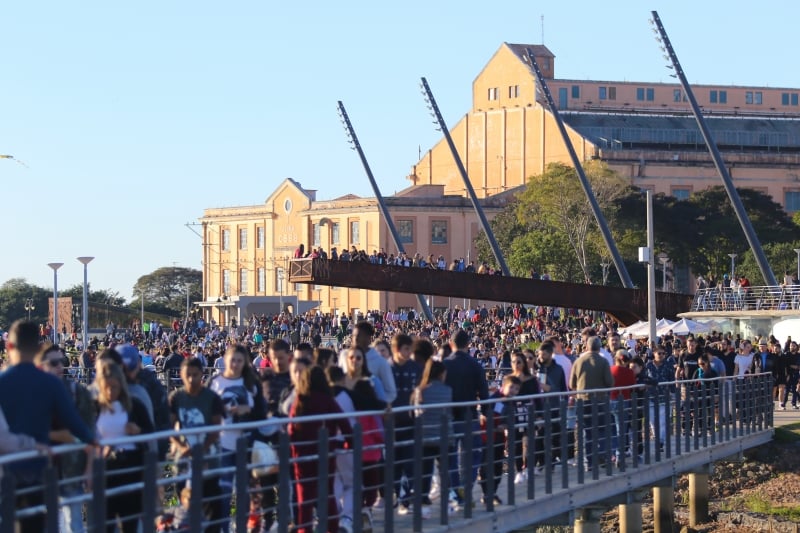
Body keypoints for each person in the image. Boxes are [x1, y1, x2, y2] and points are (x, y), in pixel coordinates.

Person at [0, 320, 95, 533]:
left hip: (6, 471)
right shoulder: (50, 383)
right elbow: (76, 424)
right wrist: (92, 441)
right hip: (39, 471)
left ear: (9, 346)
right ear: (37, 348)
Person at [37, 344, 96, 533]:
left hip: (72, 469)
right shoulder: (33, 395)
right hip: (41, 471)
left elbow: (90, 433)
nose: (60, 367)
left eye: (62, 362)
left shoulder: (78, 392)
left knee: (74, 524)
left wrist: (89, 468)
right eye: (54, 362)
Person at [208, 344, 266, 533]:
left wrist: (246, 411)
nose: (235, 364)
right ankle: (223, 529)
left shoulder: (251, 383)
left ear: (245, 362)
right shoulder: (215, 382)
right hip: (222, 444)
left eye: (240, 360)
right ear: (225, 360)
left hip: (245, 445)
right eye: (232, 359)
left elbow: (261, 413)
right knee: (223, 493)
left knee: (243, 493)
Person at [288, 364, 352, 533]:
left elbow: (291, 431)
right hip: (325, 453)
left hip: (302, 456)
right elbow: (345, 424)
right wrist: (346, 444)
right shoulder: (328, 401)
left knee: (305, 499)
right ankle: (332, 528)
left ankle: (305, 530)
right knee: (327, 494)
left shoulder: (300, 401)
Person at [94, 359, 154, 533]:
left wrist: (138, 431)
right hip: (106, 469)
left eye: (114, 387)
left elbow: (150, 431)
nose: (110, 391)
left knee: (130, 521)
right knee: (105, 522)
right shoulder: (96, 408)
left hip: (131, 467)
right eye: (106, 387)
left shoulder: (134, 406)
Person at [169, 357, 224, 532]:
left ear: (202, 375)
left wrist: (203, 449)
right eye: (188, 375)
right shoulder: (176, 397)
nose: (192, 379)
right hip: (184, 461)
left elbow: (216, 428)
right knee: (186, 511)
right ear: (181, 375)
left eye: (195, 375)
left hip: (209, 459)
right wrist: (181, 447)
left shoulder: (211, 398)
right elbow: (170, 427)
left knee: (212, 511)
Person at [443, 329, 489, 508]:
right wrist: (485, 411)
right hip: (470, 415)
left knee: (451, 457)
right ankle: (466, 487)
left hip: (449, 415)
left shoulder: (444, 364)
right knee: (472, 455)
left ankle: (456, 491)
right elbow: (483, 392)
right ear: (468, 344)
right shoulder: (475, 365)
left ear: (451, 344)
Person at [411, 359, 453, 519]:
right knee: (445, 471)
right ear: (442, 374)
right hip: (445, 435)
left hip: (425, 436)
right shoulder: (447, 390)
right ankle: (447, 502)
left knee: (425, 472)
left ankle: (423, 506)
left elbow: (416, 413)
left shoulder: (419, 391)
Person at [389, 333, 422, 513]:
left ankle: (405, 499)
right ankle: (397, 495)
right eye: (406, 349)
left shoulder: (415, 368)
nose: (409, 352)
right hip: (392, 423)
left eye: (411, 349)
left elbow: (419, 392)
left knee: (410, 462)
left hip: (411, 421)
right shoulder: (387, 368)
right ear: (397, 349)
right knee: (394, 463)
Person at [570, 336, 613, 470]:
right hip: (600, 400)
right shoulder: (603, 361)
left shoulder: (579, 361)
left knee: (587, 432)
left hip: (583, 401)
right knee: (602, 430)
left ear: (586, 346)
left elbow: (572, 383)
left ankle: (589, 462)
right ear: (599, 347)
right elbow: (610, 382)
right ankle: (602, 456)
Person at [480, 375, 519, 506]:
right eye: (511, 387)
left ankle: (493, 492)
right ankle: (487, 494)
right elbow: (484, 413)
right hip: (487, 437)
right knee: (486, 466)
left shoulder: (511, 401)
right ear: (503, 386)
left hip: (499, 438)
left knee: (497, 466)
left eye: (516, 389)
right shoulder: (494, 398)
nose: (513, 391)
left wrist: (506, 425)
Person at [610, 349, 636, 461]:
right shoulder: (629, 372)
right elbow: (632, 385)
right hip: (624, 401)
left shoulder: (609, 370)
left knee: (611, 430)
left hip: (610, 401)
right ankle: (620, 454)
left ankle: (612, 454)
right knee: (621, 430)